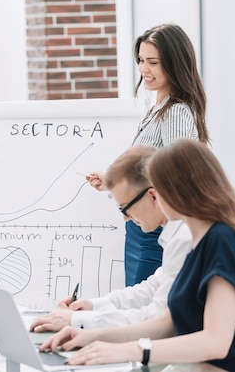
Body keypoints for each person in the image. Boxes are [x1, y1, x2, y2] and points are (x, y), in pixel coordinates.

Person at [41, 139, 235, 372]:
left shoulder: (222, 239)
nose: (155, 196)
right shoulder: (201, 240)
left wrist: (132, 350)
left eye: (159, 188)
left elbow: (215, 341)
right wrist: (91, 335)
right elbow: (166, 323)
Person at [88, 23, 210, 286]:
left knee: (145, 308)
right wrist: (111, 180)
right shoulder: (157, 109)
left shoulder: (175, 111)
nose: (144, 70)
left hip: (153, 232)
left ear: (174, 64)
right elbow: (148, 170)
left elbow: (176, 175)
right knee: (136, 301)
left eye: (153, 62)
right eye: (141, 60)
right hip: (141, 227)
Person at [30, 145, 192, 332]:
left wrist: (78, 320)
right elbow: (153, 288)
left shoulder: (185, 239)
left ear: (152, 196)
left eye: (124, 208)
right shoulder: (178, 233)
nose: (125, 217)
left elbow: (158, 317)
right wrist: (92, 306)